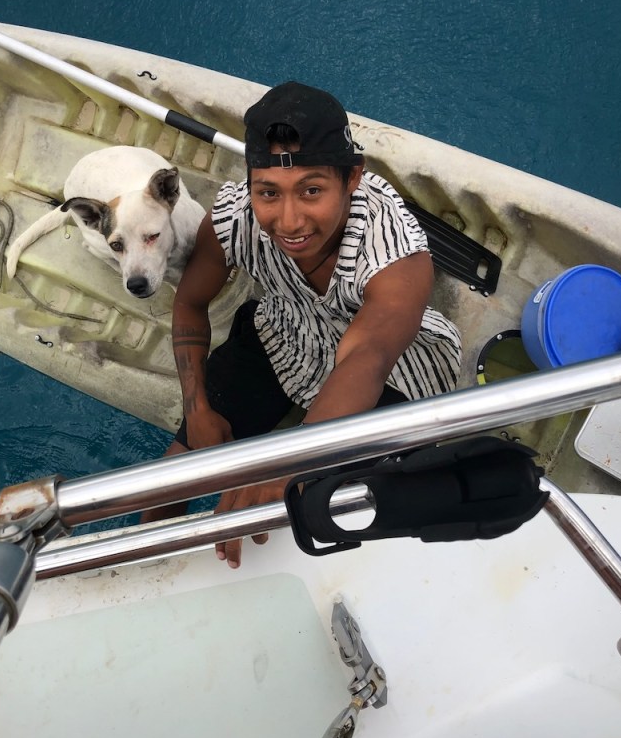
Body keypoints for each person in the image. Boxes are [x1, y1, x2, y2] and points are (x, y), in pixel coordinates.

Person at [142, 81, 462, 568]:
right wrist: (197, 404)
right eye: (268, 192)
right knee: (175, 475)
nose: (289, 221)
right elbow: (189, 301)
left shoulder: (396, 252)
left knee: (350, 512)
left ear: (352, 178)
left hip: (397, 369)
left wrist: (291, 464)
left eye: (311, 190)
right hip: (286, 333)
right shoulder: (236, 218)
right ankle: (147, 570)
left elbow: (367, 359)